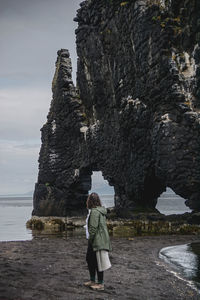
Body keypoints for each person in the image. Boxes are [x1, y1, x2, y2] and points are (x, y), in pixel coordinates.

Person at [84, 192, 112, 291]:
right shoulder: (99, 211)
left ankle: (100, 284)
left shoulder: (95, 212)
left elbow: (93, 228)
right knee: (90, 259)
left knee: (98, 261)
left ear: (89, 201)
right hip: (97, 239)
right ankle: (92, 280)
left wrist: (90, 239)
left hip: (96, 240)